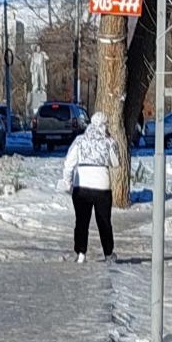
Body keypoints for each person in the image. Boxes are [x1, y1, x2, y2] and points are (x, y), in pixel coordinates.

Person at [60, 111, 118, 262]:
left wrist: (68, 182)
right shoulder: (108, 142)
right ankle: (108, 253)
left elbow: (69, 163)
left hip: (82, 187)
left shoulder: (79, 140)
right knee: (104, 220)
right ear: (104, 126)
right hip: (102, 187)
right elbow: (115, 163)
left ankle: (81, 253)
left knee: (81, 220)